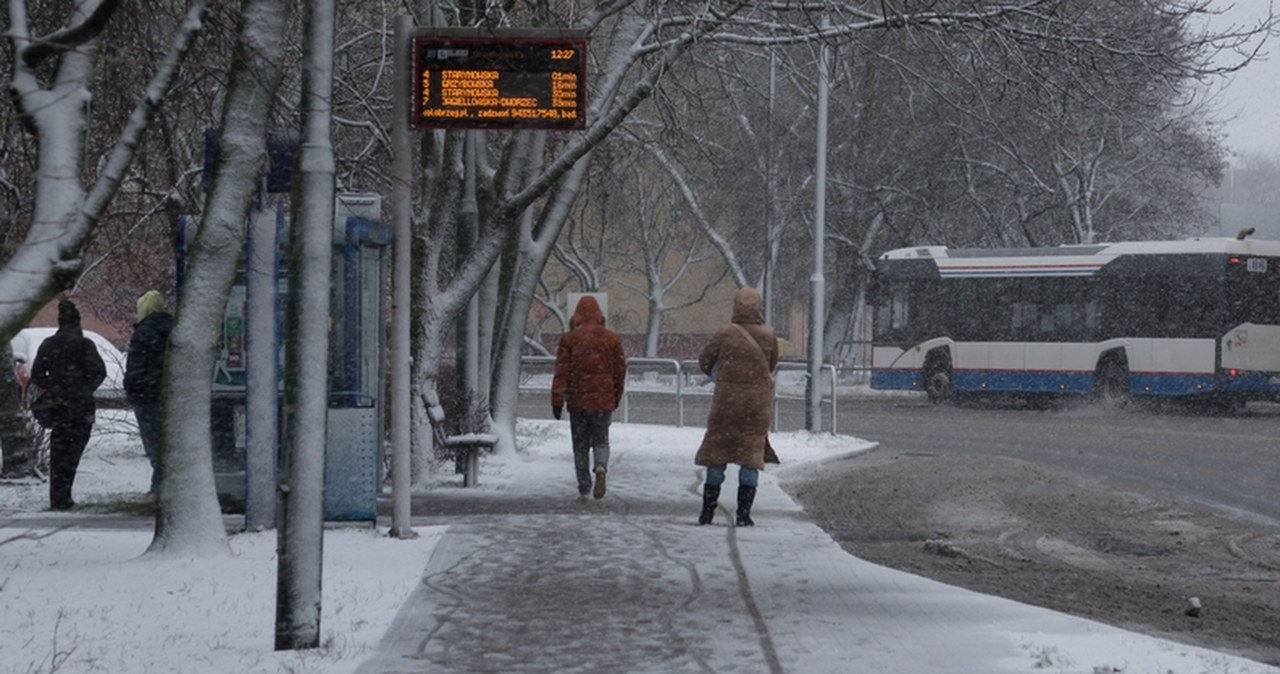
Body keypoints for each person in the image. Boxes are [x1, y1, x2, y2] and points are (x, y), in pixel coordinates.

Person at [695, 287, 778, 526]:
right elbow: (770, 366)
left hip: (726, 404)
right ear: (758, 307)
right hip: (755, 406)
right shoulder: (769, 334)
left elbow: (704, 361)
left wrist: (724, 372)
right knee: (751, 456)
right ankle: (743, 514)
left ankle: (707, 512)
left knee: (717, 454)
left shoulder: (725, 333)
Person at [30, 299, 107, 510]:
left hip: (58, 406)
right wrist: (83, 388)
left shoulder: (49, 344)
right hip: (81, 408)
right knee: (74, 452)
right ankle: (65, 496)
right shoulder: (85, 345)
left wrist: (54, 386)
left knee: (59, 452)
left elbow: (37, 374)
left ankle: (58, 497)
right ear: (78, 321)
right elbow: (100, 372)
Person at [551, 295, 627, 500]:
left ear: (577, 315)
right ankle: (601, 467)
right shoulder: (611, 339)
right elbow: (620, 372)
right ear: (599, 315)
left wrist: (557, 401)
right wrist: (615, 396)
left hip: (578, 401)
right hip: (603, 401)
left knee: (580, 445)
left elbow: (561, 372)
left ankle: (584, 484)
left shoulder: (569, 340)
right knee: (602, 440)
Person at [124, 290, 172, 495]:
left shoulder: (143, 333)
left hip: (147, 395)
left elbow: (135, 367)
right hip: (168, 394)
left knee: (154, 444)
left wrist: (132, 389)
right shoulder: (172, 329)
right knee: (167, 444)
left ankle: (159, 487)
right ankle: (163, 484)